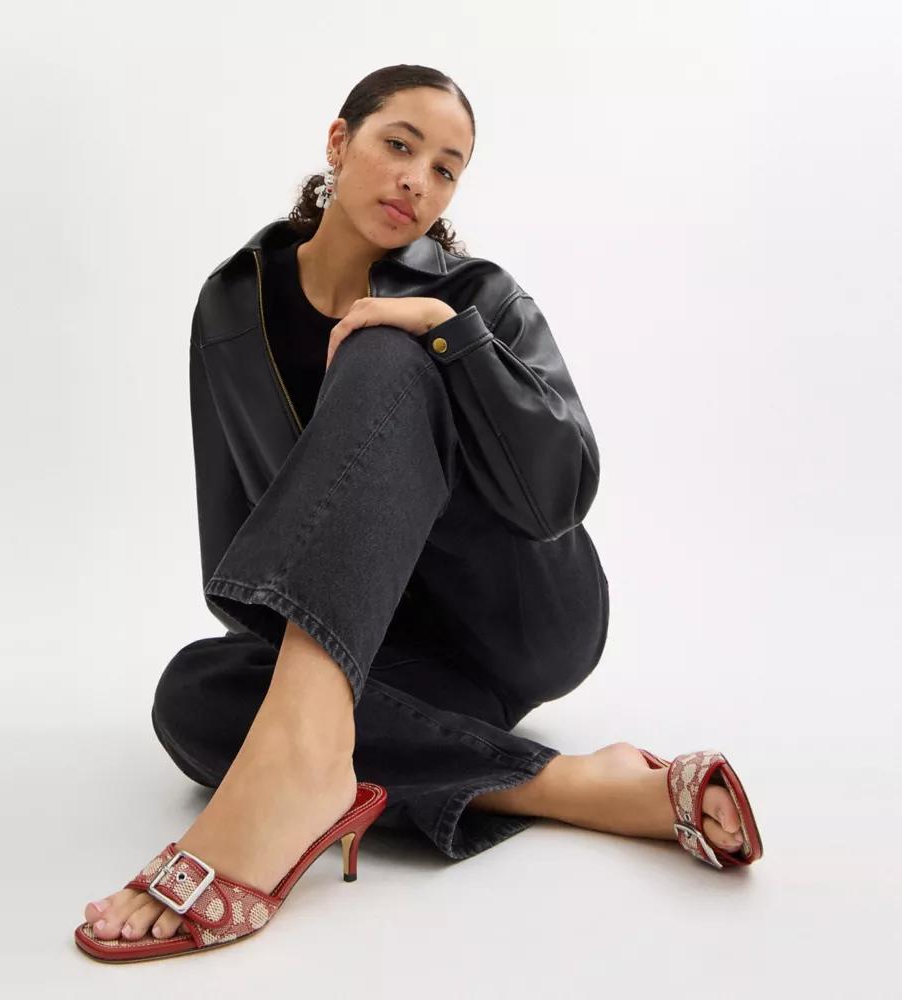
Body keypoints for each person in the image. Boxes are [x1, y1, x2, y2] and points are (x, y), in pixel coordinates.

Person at [76, 64, 762, 962]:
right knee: (194, 694)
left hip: (521, 612)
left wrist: (448, 336)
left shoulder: (478, 296)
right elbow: (238, 527)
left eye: (445, 169)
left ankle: (296, 767)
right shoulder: (232, 304)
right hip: (390, 649)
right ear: (338, 142)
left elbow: (559, 496)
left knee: (386, 346)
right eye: (398, 146)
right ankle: (570, 785)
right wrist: (312, 662)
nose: (417, 181)